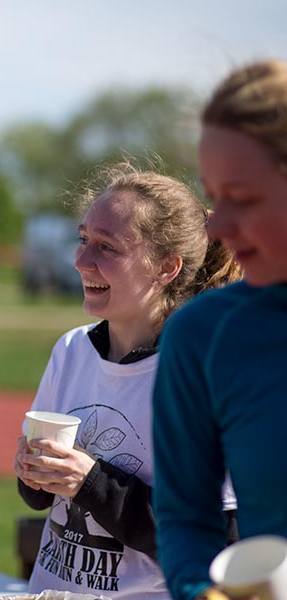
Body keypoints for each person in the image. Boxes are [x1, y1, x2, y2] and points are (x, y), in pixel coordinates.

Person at [14, 163, 241, 599]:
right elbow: (40, 499)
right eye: (82, 239)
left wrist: (91, 483)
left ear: (166, 268)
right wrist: (33, 471)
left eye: (107, 247)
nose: (81, 261)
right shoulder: (72, 349)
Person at [153, 58, 287, 600]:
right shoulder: (204, 335)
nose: (216, 226)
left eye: (244, 197)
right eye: (213, 195)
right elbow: (185, 518)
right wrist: (198, 591)